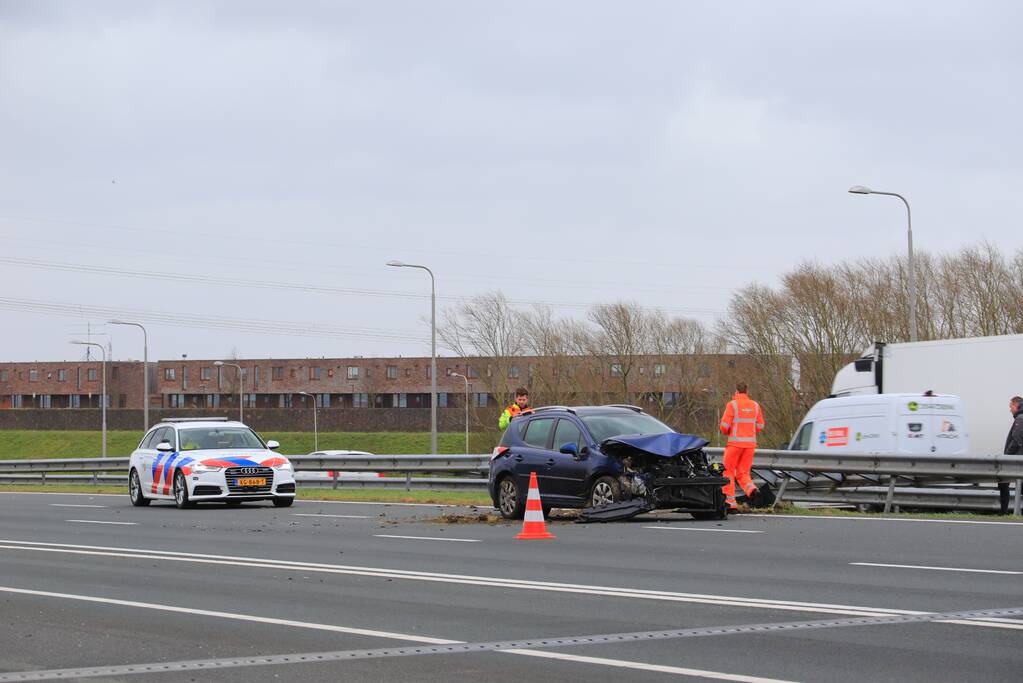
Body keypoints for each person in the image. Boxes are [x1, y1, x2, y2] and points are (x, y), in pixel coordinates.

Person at [719, 382, 766, 511]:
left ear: (736, 391)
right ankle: (752, 490)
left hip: (734, 444)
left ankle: (730, 502)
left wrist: (729, 432)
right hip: (750, 445)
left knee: (727, 471)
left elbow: (724, 426)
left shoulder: (732, 405)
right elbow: (760, 426)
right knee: (743, 472)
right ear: (747, 391)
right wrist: (749, 431)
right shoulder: (755, 406)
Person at [1000, 395, 1023, 514]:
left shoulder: (1020, 418)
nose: (1010, 409)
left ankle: (1003, 512)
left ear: (1016, 405)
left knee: (1003, 483)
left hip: (1014, 460)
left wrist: (1007, 456)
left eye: (1011, 406)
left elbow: (1016, 440)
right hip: (1018, 460)